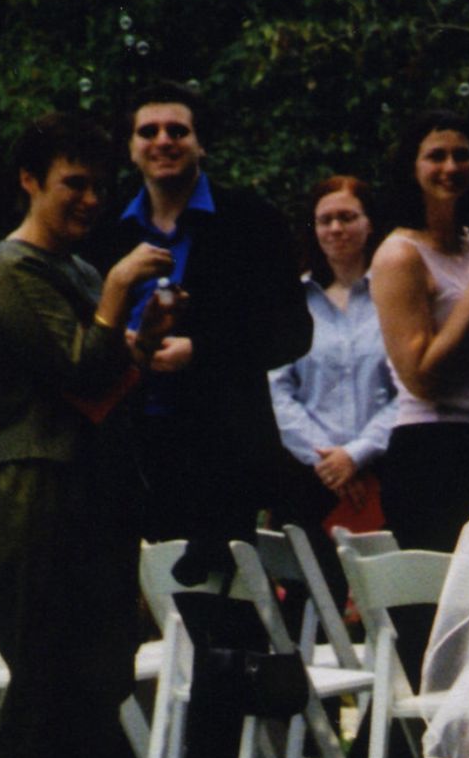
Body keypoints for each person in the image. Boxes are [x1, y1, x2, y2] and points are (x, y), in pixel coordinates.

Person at [0, 111, 175, 758]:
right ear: (30, 181)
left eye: (96, 183)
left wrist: (143, 335)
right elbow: (82, 372)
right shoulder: (8, 273)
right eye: (71, 183)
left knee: (98, 677)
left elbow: (109, 381)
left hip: (95, 489)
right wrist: (121, 290)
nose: (88, 198)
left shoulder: (77, 272)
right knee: (42, 678)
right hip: (30, 489)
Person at [79, 82, 308, 582]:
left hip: (222, 452)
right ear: (131, 147)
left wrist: (200, 350)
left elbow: (293, 332)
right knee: (139, 612)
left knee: (222, 617)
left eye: (178, 130)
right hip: (128, 449)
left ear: (201, 143)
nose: (164, 141)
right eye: (149, 131)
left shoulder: (250, 222)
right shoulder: (104, 232)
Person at [370, 110, 469, 552]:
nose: (451, 168)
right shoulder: (399, 255)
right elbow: (420, 378)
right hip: (433, 448)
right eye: (436, 156)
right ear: (412, 168)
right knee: (438, 608)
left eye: (462, 156)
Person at [267, 175, 399, 565]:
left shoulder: (395, 294)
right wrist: (328, 462)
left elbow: (408, 389)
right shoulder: (293, 300)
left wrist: (355, 456)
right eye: (326, 220)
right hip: (308, 480)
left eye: (347, 217)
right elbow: (276, 389)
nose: (336, 228)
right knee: (314, 604)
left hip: (384, 473)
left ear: (369, 222)